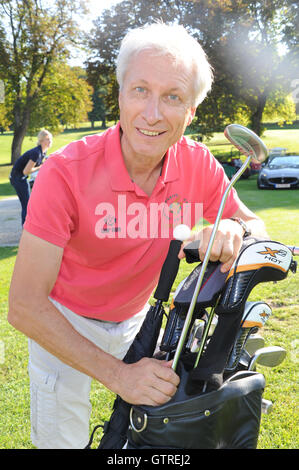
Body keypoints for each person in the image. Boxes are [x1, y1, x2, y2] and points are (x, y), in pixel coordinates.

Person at [8, 23, 269, 449]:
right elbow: (23, 305)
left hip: (137, 319)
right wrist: (119, 376)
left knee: (143, 438)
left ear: (191, 112)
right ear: (119, 95)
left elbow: (254, 224)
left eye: (172, 97)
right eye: (140, 90)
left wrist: (233, 226)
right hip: (63, 320)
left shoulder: (197, 164)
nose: (152, 114)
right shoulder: (64, 171)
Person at [9, 130, 53, 225]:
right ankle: (26, 228)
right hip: (17, 177)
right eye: (47, 139)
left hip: (22, 177)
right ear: (41, 141)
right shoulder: (36, 153)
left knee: (29, 203)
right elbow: (26, 171)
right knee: (27, 204)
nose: (50, 141)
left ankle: (29, 226)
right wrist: (41, 166)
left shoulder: (43, 152)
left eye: (50, 139)